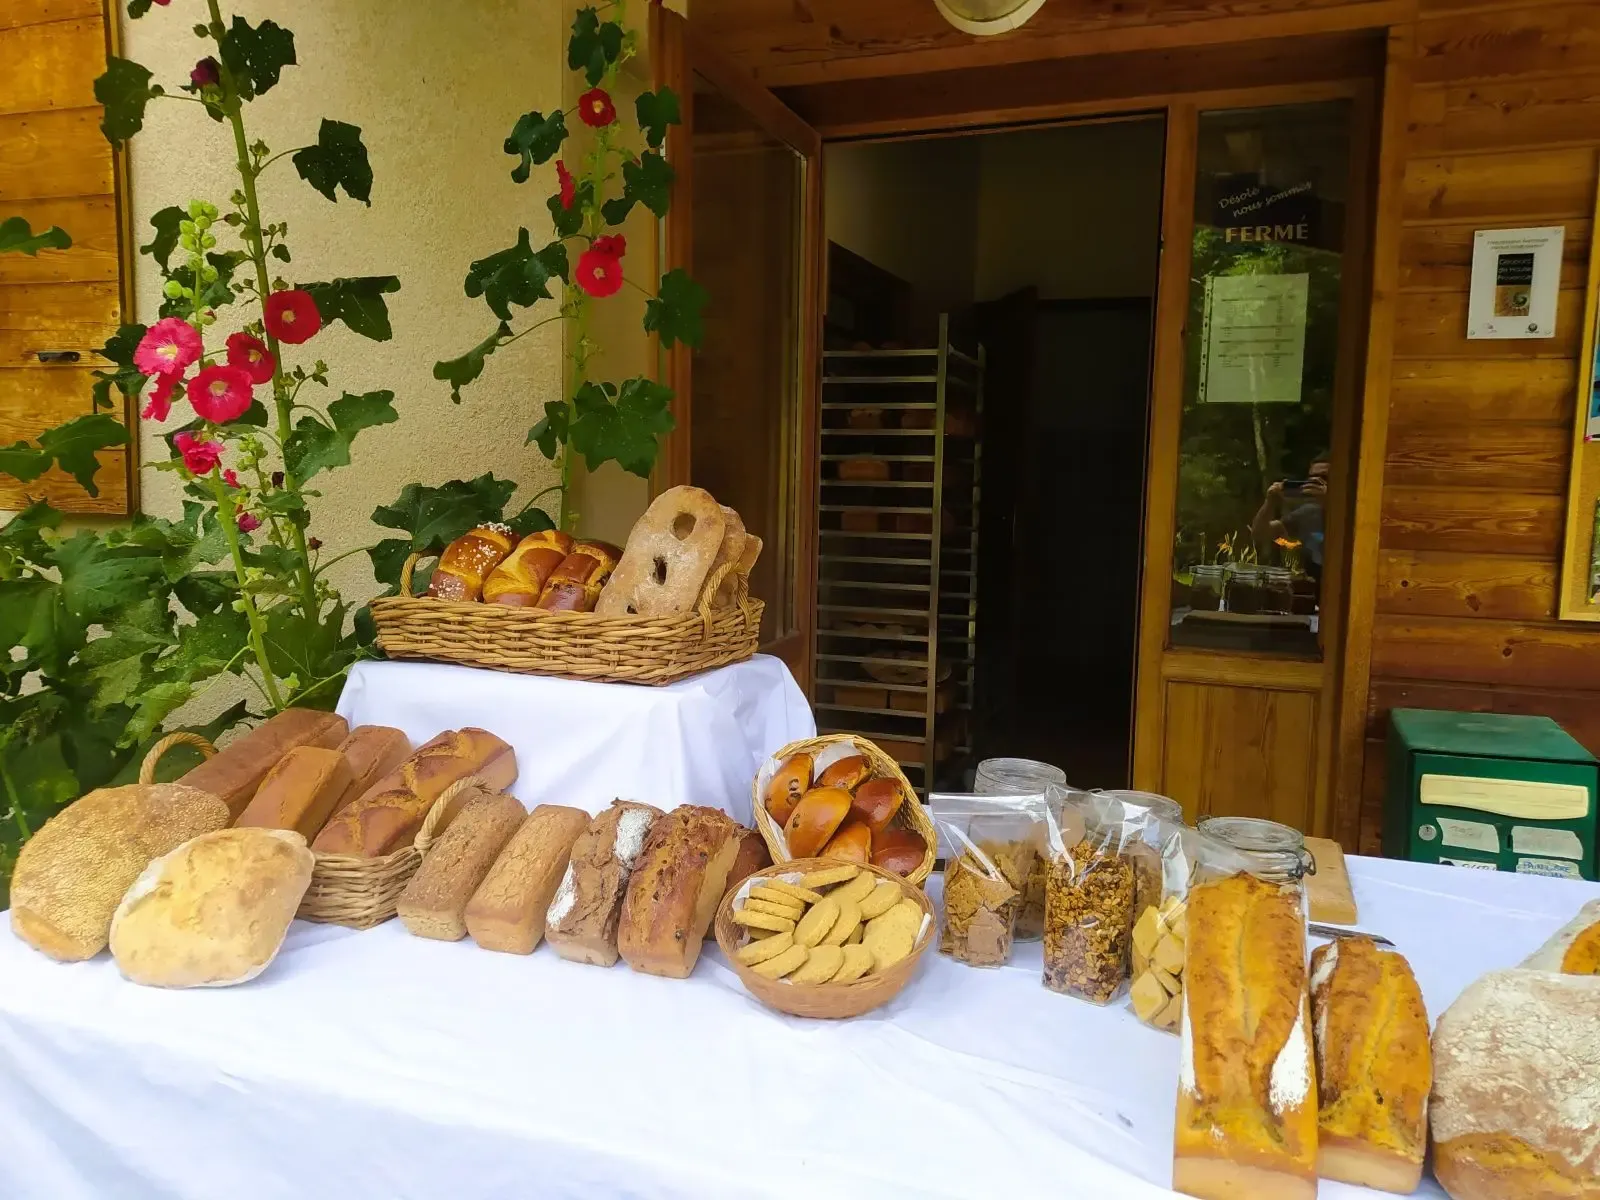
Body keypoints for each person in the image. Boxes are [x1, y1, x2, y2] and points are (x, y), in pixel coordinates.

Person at [1252, 454, 1329, 582]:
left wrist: (1330, 500)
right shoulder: (1307, 513)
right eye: (1312, 478)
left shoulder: (1356, 515)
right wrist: (1270, 502)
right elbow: (1260, 533)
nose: (1315, 482)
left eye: (1324, 477)